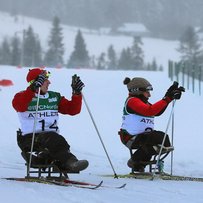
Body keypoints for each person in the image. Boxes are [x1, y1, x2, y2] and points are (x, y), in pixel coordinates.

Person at [12, 68, 88, 173]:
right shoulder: (22, 96)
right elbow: (20, 106)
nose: (49, 82)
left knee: (57, 141)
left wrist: (76, 93)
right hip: (30, 138)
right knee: (54, 139)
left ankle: (57, 163)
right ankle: (71, 162)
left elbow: (73, 110)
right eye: (45, 80)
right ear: (36, 82)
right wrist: (32, 89)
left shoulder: (54, 97)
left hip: (50, 138)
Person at [119, 77, 184, 172]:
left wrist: (169, 97)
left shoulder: (143, 102)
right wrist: (167, 98)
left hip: (142, 137)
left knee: (164, 140)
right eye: (147, 92)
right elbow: (150, 111)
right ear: (138, 91)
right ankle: (135, 161)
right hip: (130, 137)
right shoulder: (132, 101)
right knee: (158, 137)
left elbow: (157, 112)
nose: (149, 95)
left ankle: (139, 165)